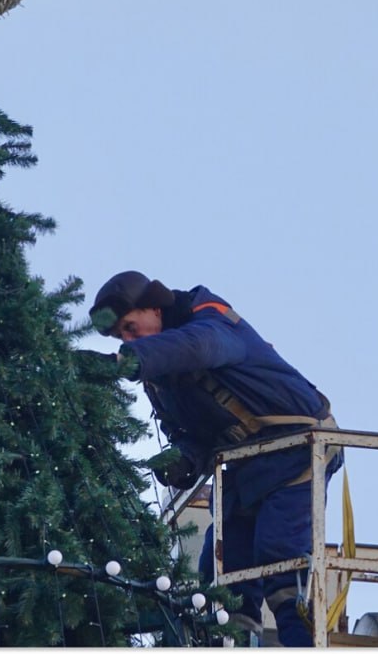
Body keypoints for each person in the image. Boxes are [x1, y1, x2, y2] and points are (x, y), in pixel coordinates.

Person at [85, 270, 341, 647]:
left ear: (154, 308)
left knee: (280, 554)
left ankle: (302, 644)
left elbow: (201, 346)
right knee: (222, 573)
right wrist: (183, 461)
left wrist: (125, 362)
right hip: (244, 464)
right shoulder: (161, 379)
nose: (128, 338)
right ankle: (229, 644)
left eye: (130, 326)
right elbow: (193, 439)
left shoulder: (209, 319)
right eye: (121, 335)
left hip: (298, 447)